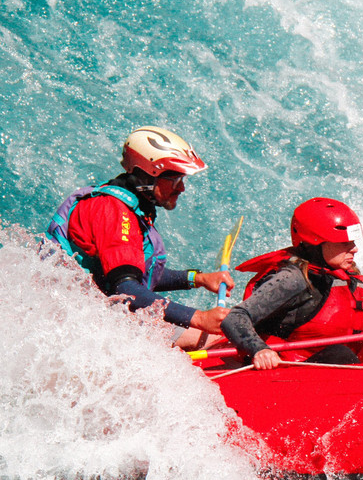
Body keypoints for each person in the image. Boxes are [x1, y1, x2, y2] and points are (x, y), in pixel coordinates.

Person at [44, 126, 233, 349]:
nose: (181, 188)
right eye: (175, 179)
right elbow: (127, 290)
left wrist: (198, 279)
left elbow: (132, 272)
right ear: (149, 176)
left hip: (92, 312)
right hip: (78, 327)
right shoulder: (113, 213)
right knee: (220, 340)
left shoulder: (127, 206)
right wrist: (200, 318)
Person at [220, 197, 363, 370]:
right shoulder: (292, 279)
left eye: (353, 242)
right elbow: (236, 317)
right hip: (284, 374)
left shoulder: (354, 281)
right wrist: (259, 350)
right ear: (315, 244)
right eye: (344, 243)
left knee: (343, 356)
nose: (354, 249)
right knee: (341, 355)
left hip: (328, 373)